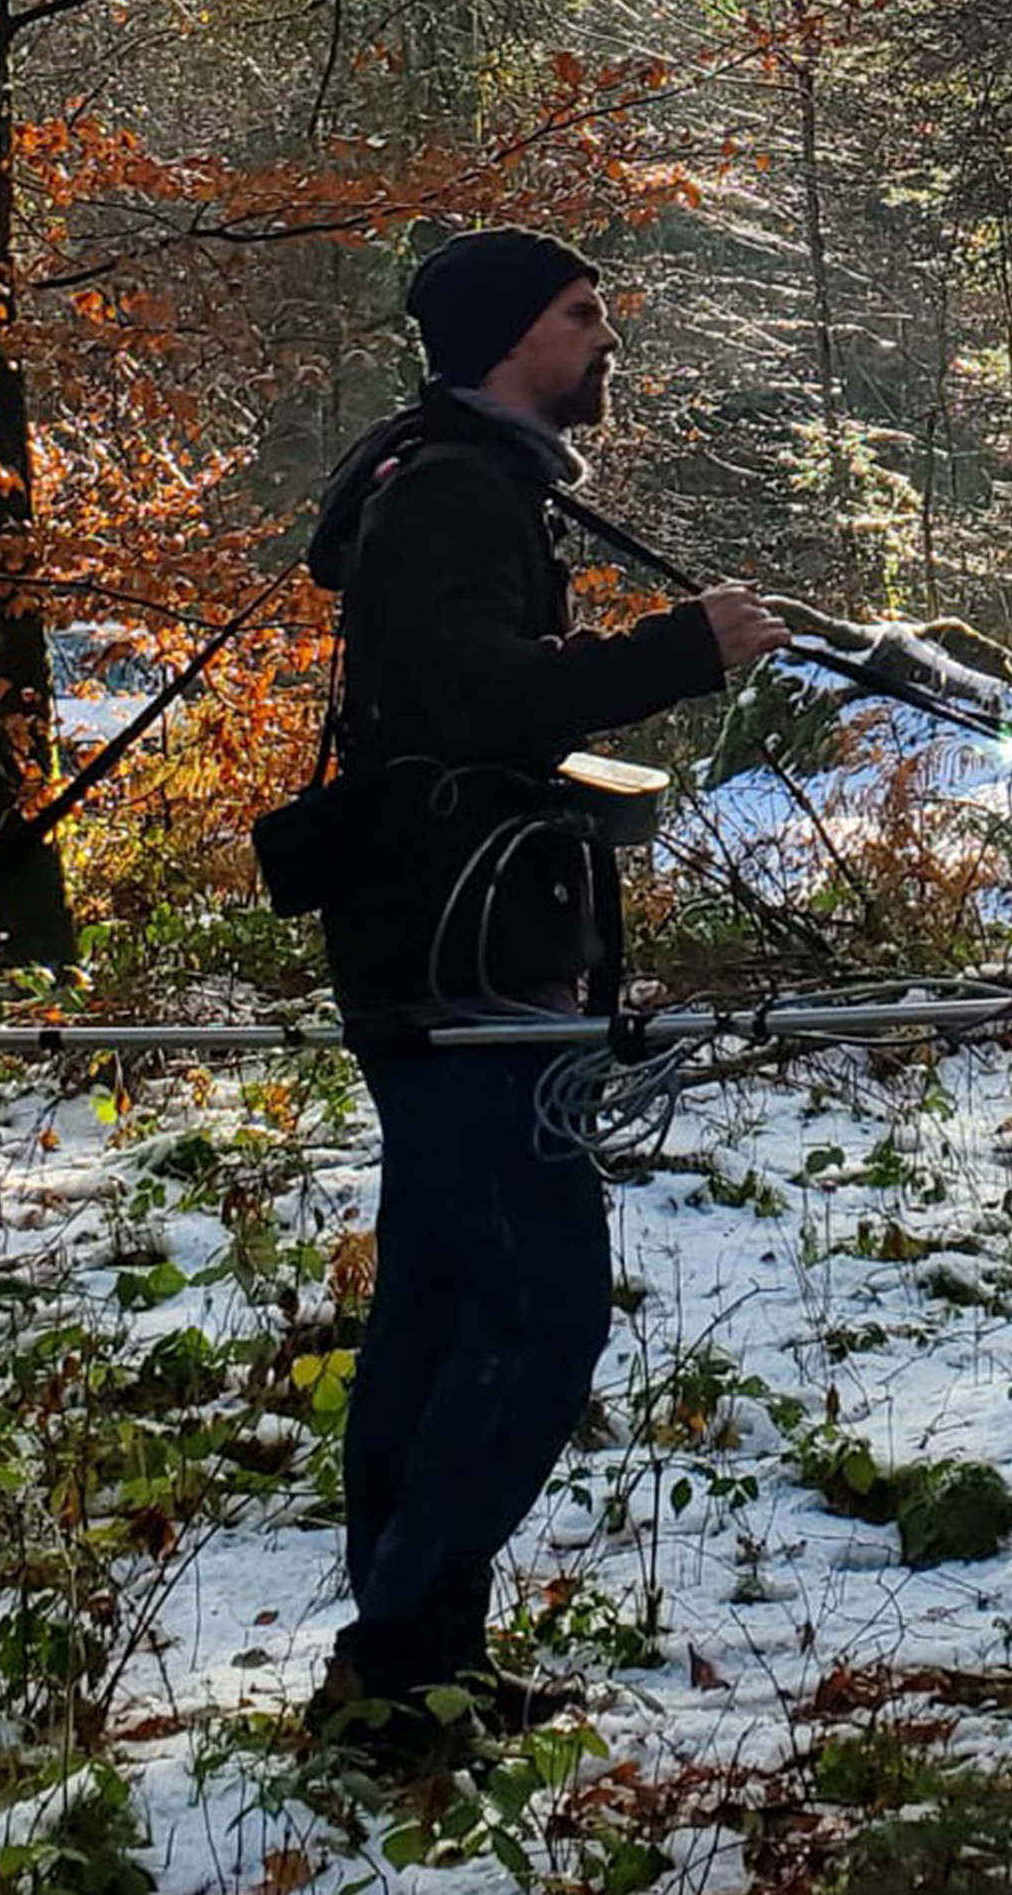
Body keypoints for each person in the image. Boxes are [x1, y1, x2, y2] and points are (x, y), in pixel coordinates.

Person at [294, 228, 787, 1768]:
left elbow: (469, 698)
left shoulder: (448, 478)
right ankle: (398, 1664)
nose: (605, 339)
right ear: (514, 336)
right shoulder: (450, 491)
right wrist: (675, 653)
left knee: (439, 1305)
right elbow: (476, 696)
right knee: (542, 1302)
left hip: (439, 947)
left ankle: (416, 1667)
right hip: (457, 960)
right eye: (583, 316)